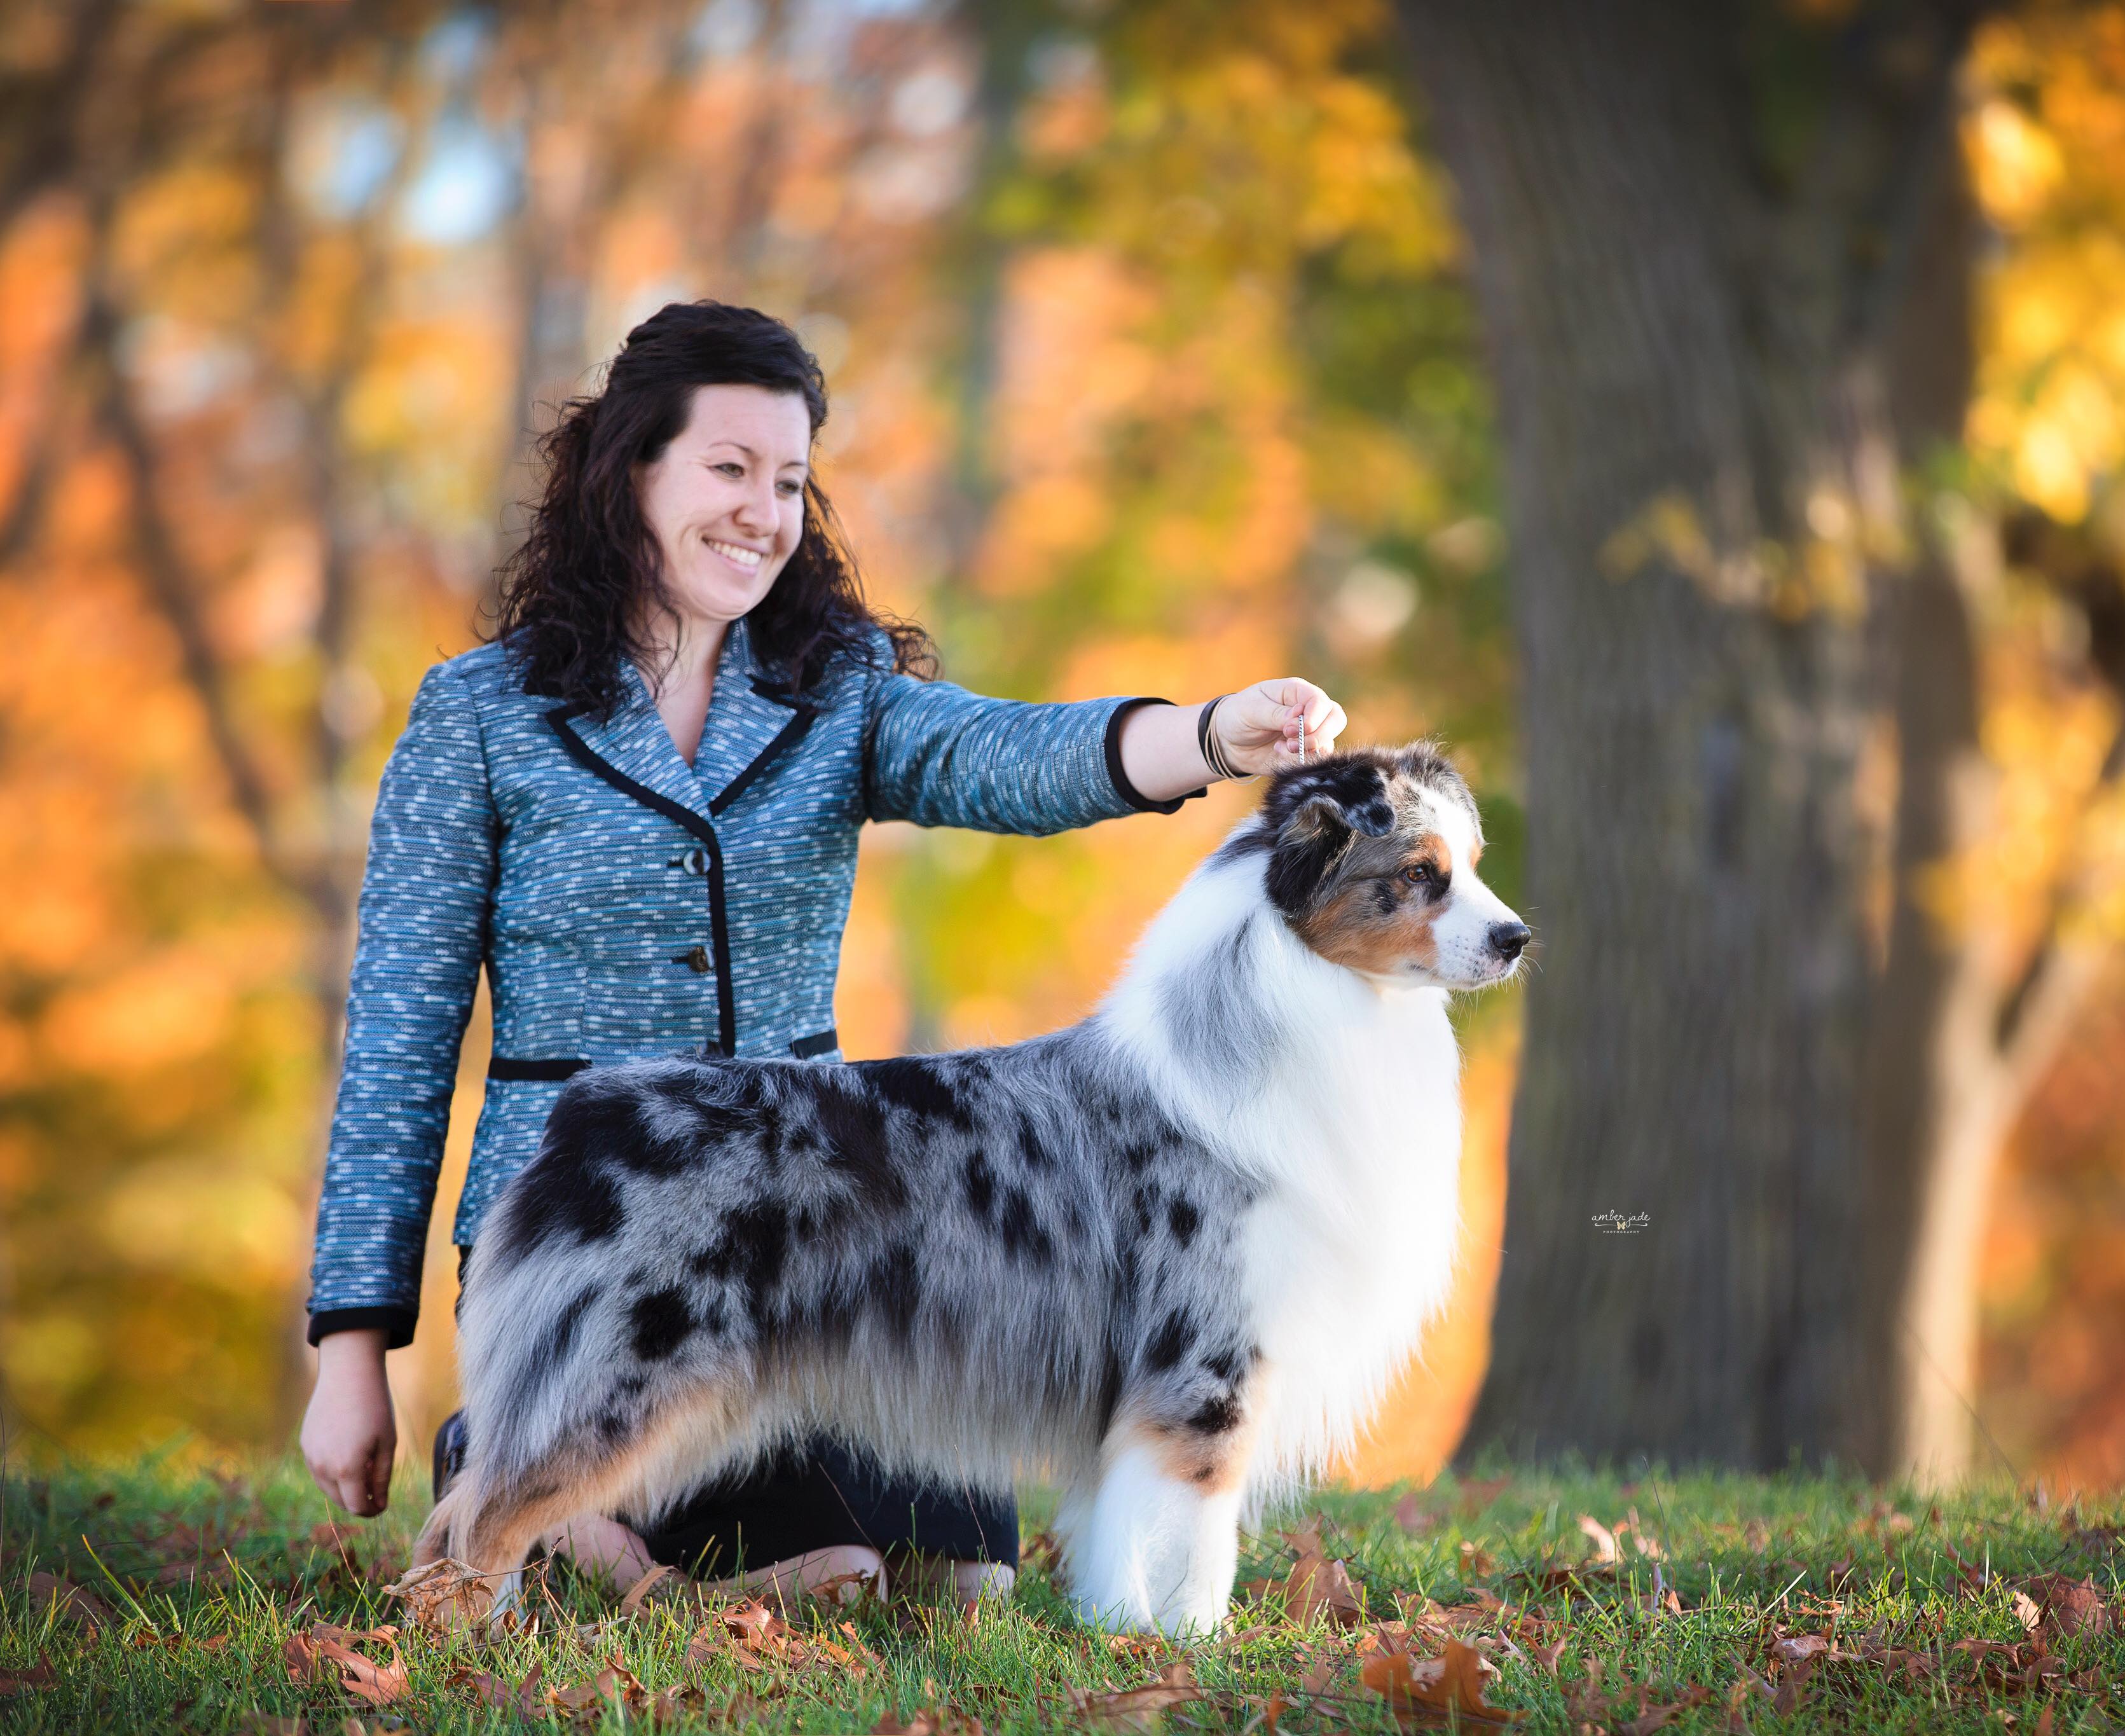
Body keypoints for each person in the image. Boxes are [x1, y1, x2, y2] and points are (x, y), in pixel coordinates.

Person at [298, 300, 1345, 1604]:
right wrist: (352, 1351)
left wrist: (1206, 732)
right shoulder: (479, 718)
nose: (761, 511)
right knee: (829, 1575)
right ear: (630, 471)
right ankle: (532, 1476)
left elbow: (1005, 757)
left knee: (963, 1584)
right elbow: (397, 1046)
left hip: (830, 1233)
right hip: (603, 1231)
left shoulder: (832, 688)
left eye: (787, 480)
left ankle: (597, 1510)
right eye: (726, 469)